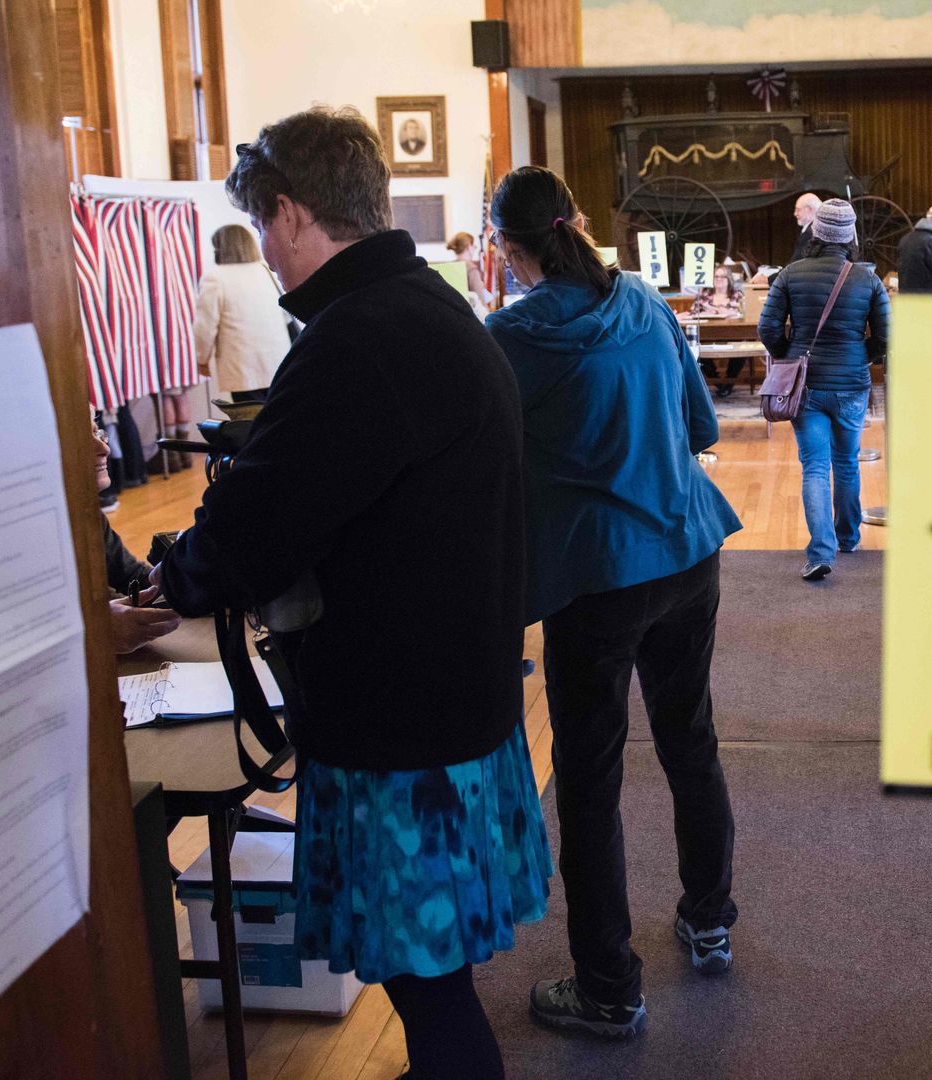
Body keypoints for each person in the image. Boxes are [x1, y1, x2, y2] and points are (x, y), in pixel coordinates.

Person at [153, 107, 545, 1080]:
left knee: (430, 990)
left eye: (270, 237)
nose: (275, 272)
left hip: (405, 731)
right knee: (433, 980)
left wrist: (176, 577)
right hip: (452, 702)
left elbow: (252, 530)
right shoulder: (425, 308)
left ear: (289, 215)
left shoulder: (358, 337)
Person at [484, 166, 743, 1038]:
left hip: (593, 578)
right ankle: (709, 920)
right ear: (579, 221)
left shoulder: (510, 339)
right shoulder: (643, 303)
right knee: (690, 741)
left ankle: (608, 988)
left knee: (590, 783)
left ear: (511, 250)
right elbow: (701, 428)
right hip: (687, 550)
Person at [759, 197, 891, 580]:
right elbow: (885, 336)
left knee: (814, 466)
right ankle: (848, 537)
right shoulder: (867, 279)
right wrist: (861, 357)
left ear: (817, 231)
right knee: (847, 461)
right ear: (849, 235)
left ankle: (821, 551)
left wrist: (791, 356)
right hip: (852, 384)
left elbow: (767, 329)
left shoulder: (790, 274)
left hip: (807, 385)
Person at [93, 419, 182, 653]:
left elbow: (132, 577)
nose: (105, 448)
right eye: (83, 439)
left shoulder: (88, 515)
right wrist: (97, 628)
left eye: (97, 433)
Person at [193, 224, 291, 398]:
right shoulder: (264, 270)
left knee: (246, 420)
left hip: (242, 366)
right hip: (277, 359)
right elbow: (284, 314)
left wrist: (202, 359)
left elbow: (205, 326)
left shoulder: (215, 277)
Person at [447, 230, 498, 317]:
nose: (474, 248)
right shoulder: (471, 269)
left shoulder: (449, 268)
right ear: (469, 246)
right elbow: (480, 302)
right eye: (474, 246)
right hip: (471, 317)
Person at [788, 192, 822, 265]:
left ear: (810, 209)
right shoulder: (820, 228)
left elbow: (795, 264)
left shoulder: (809, 232)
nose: (795, 213)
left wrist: (770, 276)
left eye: (798, 210)